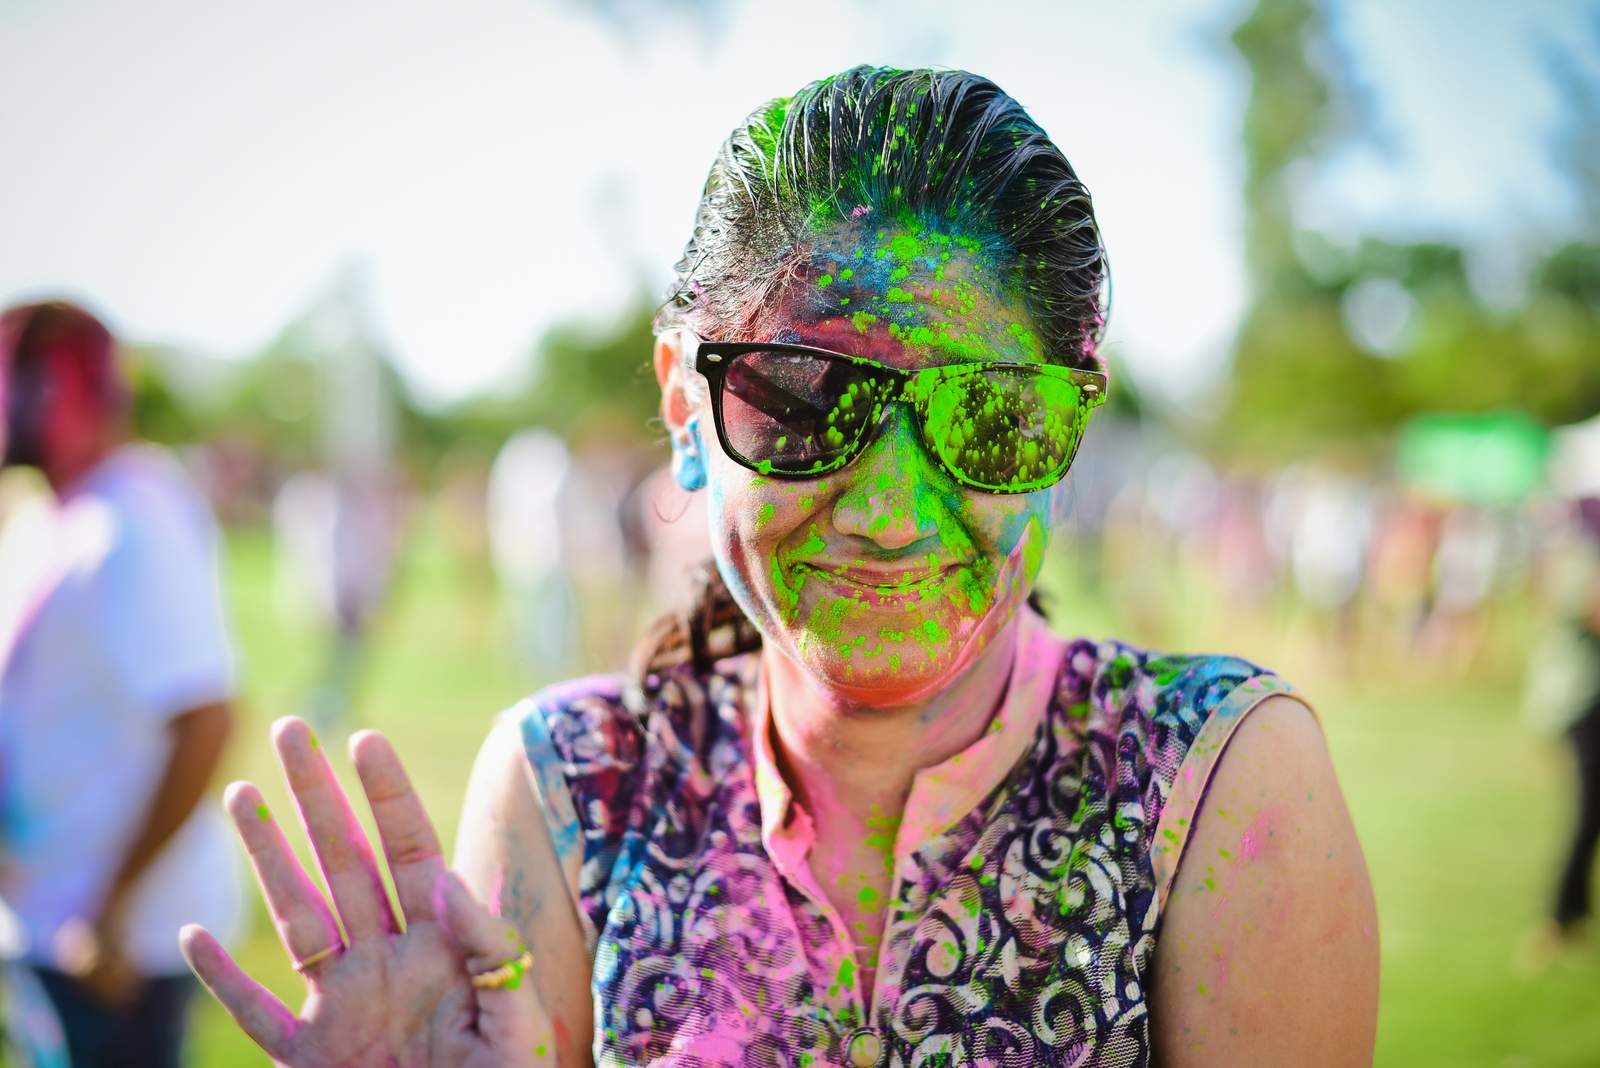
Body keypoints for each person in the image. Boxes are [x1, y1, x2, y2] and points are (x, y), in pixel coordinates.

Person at [182, 67, 1379, 1066]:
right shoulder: (569, 790)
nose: (892, 516)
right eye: (803, 403)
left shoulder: (1214, 781)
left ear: (1069, 433)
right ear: (683, 408)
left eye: (991, 415)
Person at [0, 300, 241, 1068]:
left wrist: (110, 909)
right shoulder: (53, 516)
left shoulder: (137, 520)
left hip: (109, 947)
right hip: (44, 920)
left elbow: (204, 717)